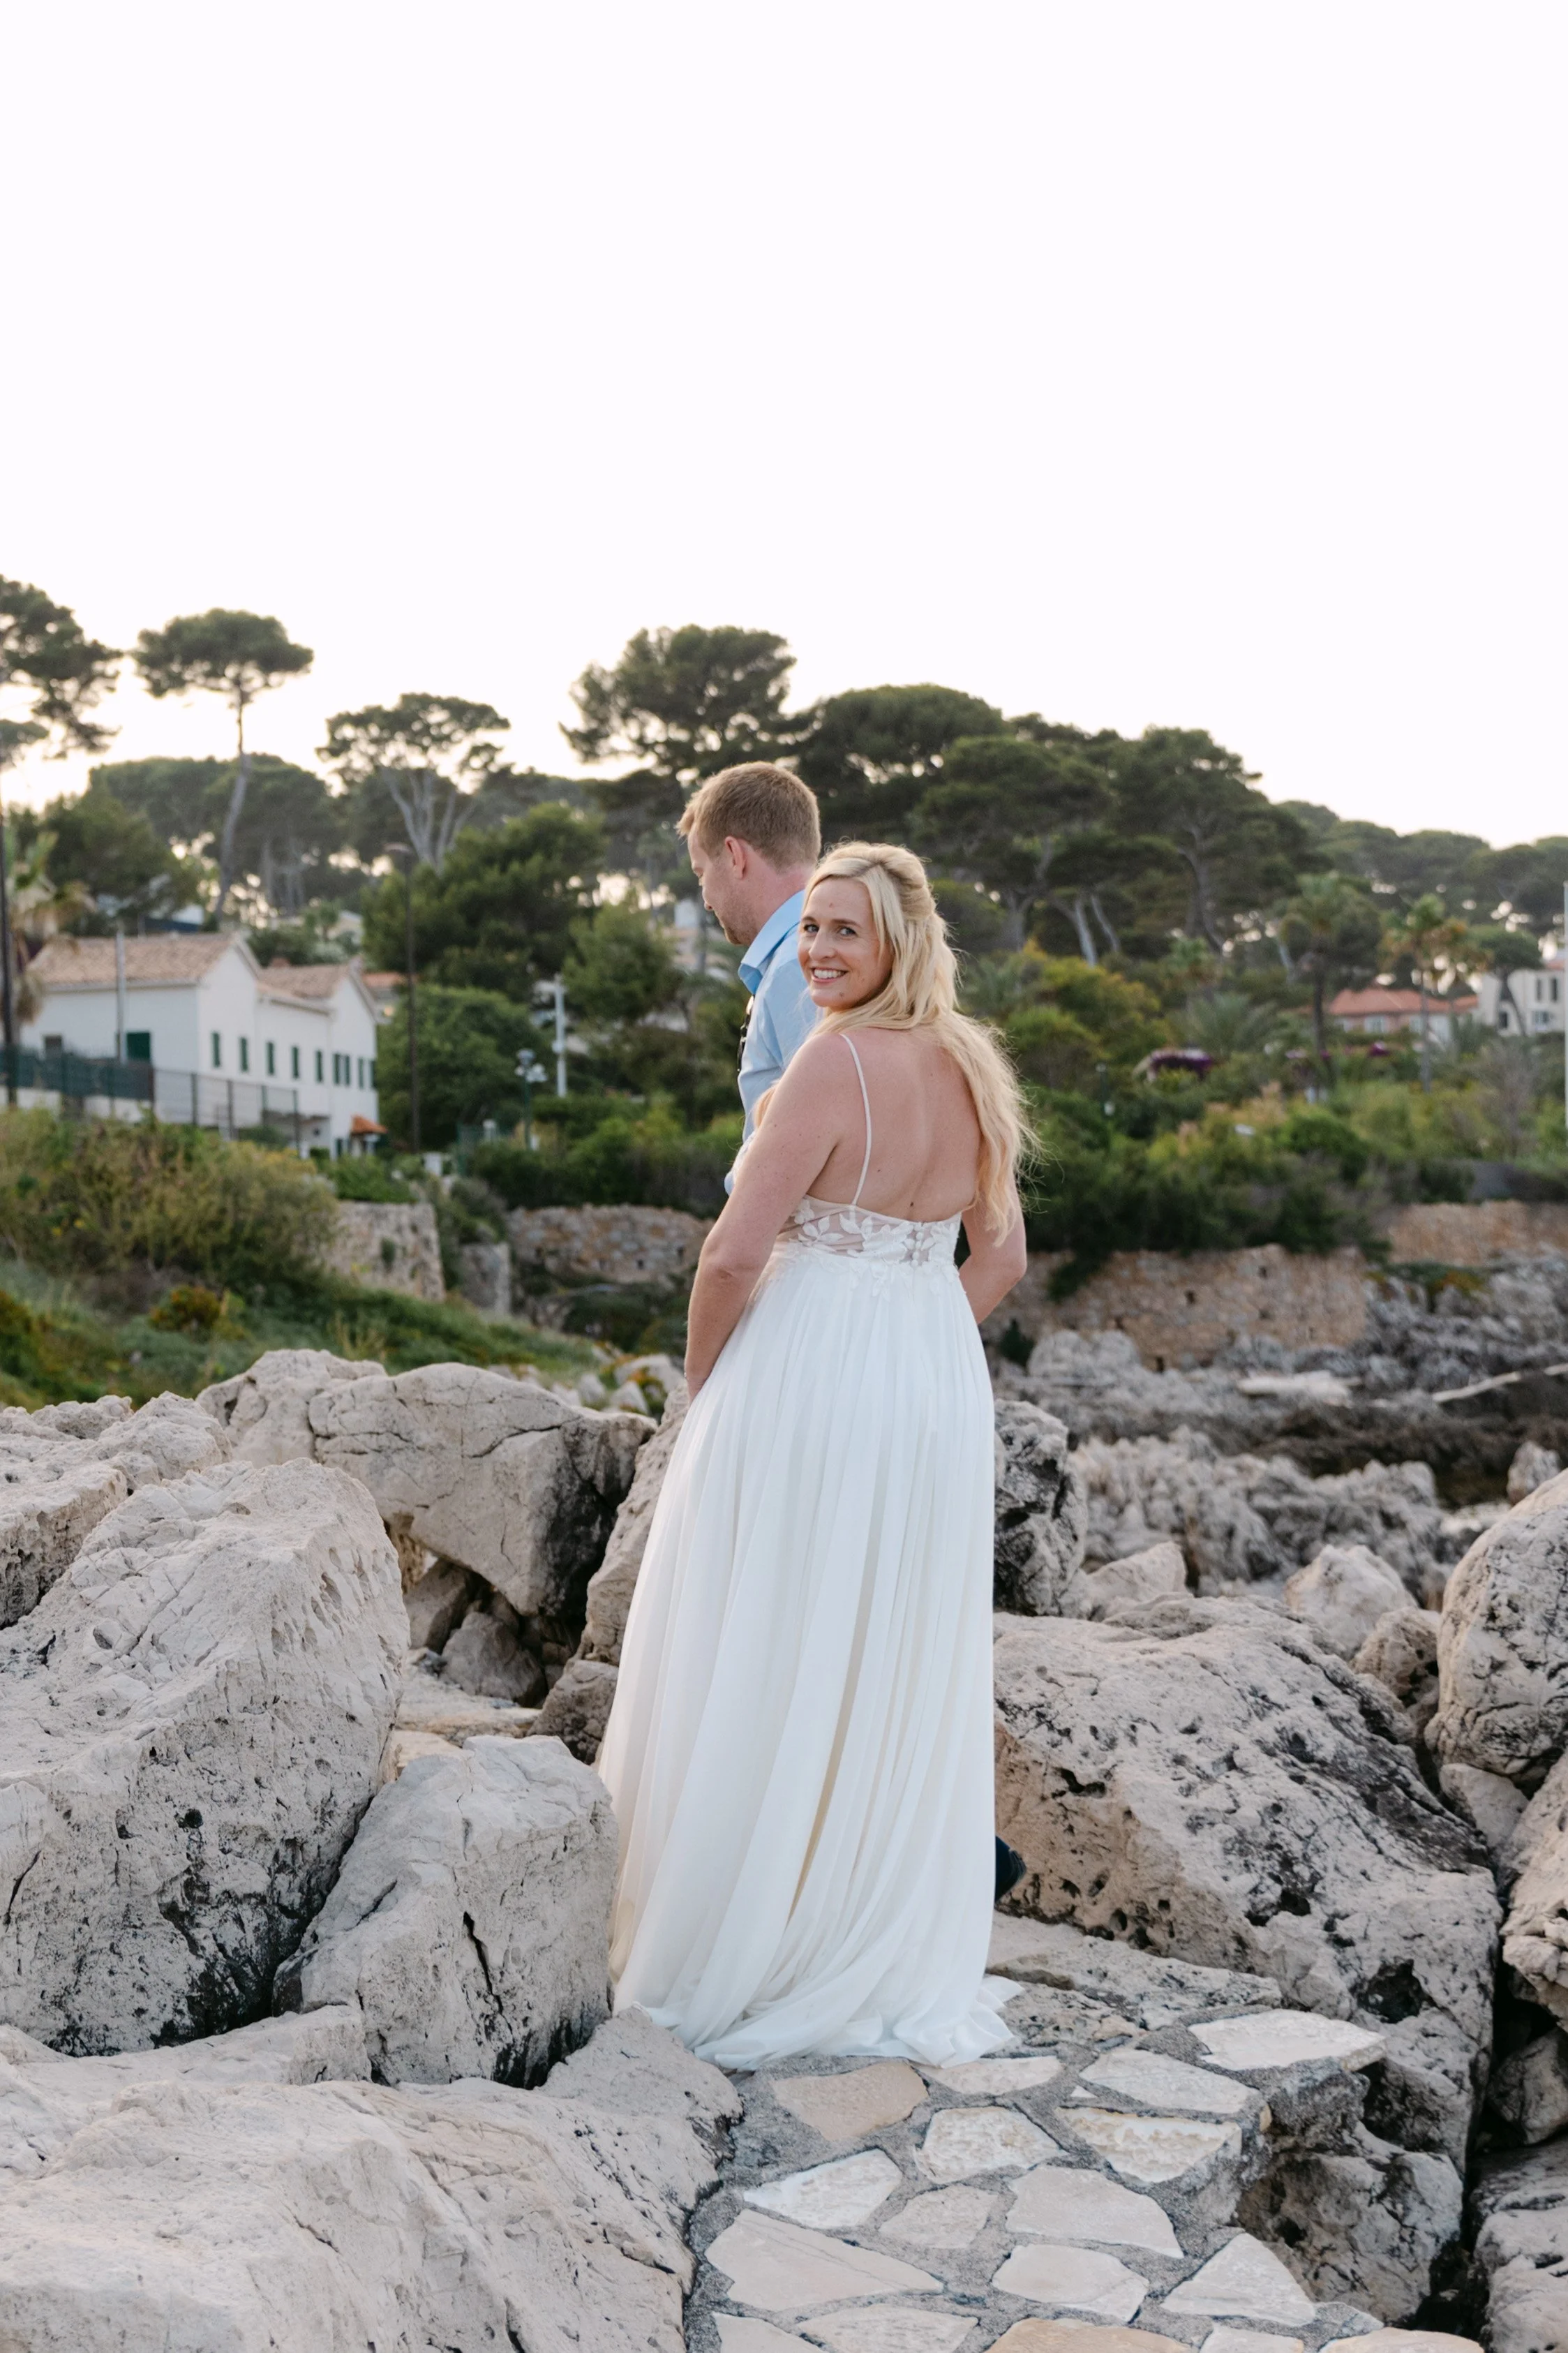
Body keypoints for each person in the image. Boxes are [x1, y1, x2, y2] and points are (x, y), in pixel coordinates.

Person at [597, 841, 1030, 2068]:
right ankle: (854, 1925)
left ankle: (739, 1931)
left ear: (900, 941)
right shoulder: (972, 1067)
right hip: (928, 1381)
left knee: (763, 1627)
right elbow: (994, 1262)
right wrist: (911, 1333)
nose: (821, 952)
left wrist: (704, 1386)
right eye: (811, 932)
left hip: (807, 1369)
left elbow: (733, 1254)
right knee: (881, 1644)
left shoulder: (828, 1063)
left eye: (846, 931)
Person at [677, 764, 820, 1184]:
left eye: (701, 874)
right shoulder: (815, 958)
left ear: (735, 856)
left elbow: (815, 1137)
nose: (705, 901)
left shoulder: (799, 966)